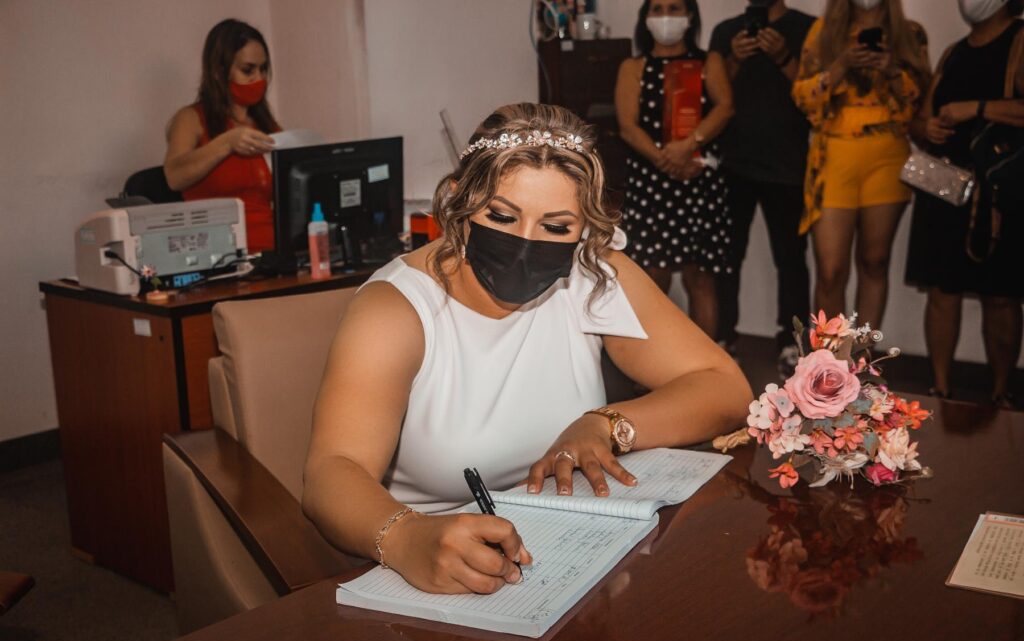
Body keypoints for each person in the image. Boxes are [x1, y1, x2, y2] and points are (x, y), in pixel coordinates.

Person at [301, 103, 752, 595]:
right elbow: (331, 472)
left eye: (556, 227)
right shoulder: (396, 311)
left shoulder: (591, 275)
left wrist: (606, 424)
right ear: (460, 200)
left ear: (584, 228)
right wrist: (406, 536)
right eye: (501, 216)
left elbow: (725, 388)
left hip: (572, 545)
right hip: (437, 557)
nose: (524, 243)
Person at [905, 0, 1024, 406]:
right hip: (946, 187)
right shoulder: (954, 52)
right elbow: (920, 118)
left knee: (1002, 294)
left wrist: (976, 108)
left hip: (998, 192)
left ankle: (1002, 392)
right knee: (942, 289)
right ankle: (940, 388)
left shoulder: (1019, 42)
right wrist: (928, 127)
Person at [792, 0, 930, 329]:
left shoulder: (909, 34)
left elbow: (922, 102)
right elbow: (802, 96)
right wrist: (841, 65)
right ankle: (829, 356)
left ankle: (863, 354)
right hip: (834, 155)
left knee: (874, 262)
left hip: (887, 156)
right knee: (830, 271)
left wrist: (891, 69)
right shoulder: (823, 32)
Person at [614, 0, 736, 337]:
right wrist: (664, 159)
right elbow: (627, 127)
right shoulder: (633, 67)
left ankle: (706, 361)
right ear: (645, 18)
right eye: (657, 9)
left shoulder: (709, 61)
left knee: (701, 277)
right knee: (652, 278)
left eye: (674, 8)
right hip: (651, 183)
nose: (666, 16)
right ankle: (655, 360)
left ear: (690, 17)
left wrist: (687, 147)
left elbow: (725, 108)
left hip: (699, 179)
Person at [709, 0, 816, 375]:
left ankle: (793, 343)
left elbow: (818, 94)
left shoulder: (808, 29)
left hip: (788, 166)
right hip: (733, 162)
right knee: (726, 257)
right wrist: (734, 60)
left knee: (791, 260)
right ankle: (724, 338)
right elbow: (713, 96)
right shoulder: (726, 32)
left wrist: (784, 57)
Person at [164, 19, 281, 253]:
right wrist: (227, 142)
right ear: (219, 71)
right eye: (248, 70)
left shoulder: (266, 124)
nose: (258, 78)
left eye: (263, 69)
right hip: (219, 254)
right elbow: (174, 176)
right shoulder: (191, 118)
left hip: (274, 251)